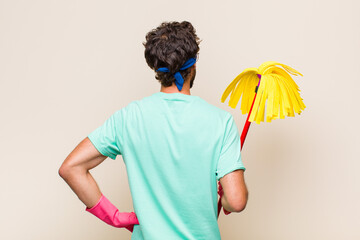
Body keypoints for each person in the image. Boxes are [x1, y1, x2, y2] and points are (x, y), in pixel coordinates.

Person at [59, 21, 248, 240]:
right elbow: (236, 201)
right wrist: (224, 199)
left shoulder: (128, 118)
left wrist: (116, 217)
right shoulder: (220, 121)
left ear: (156, 69)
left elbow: (71, 168)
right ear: (193, 66)